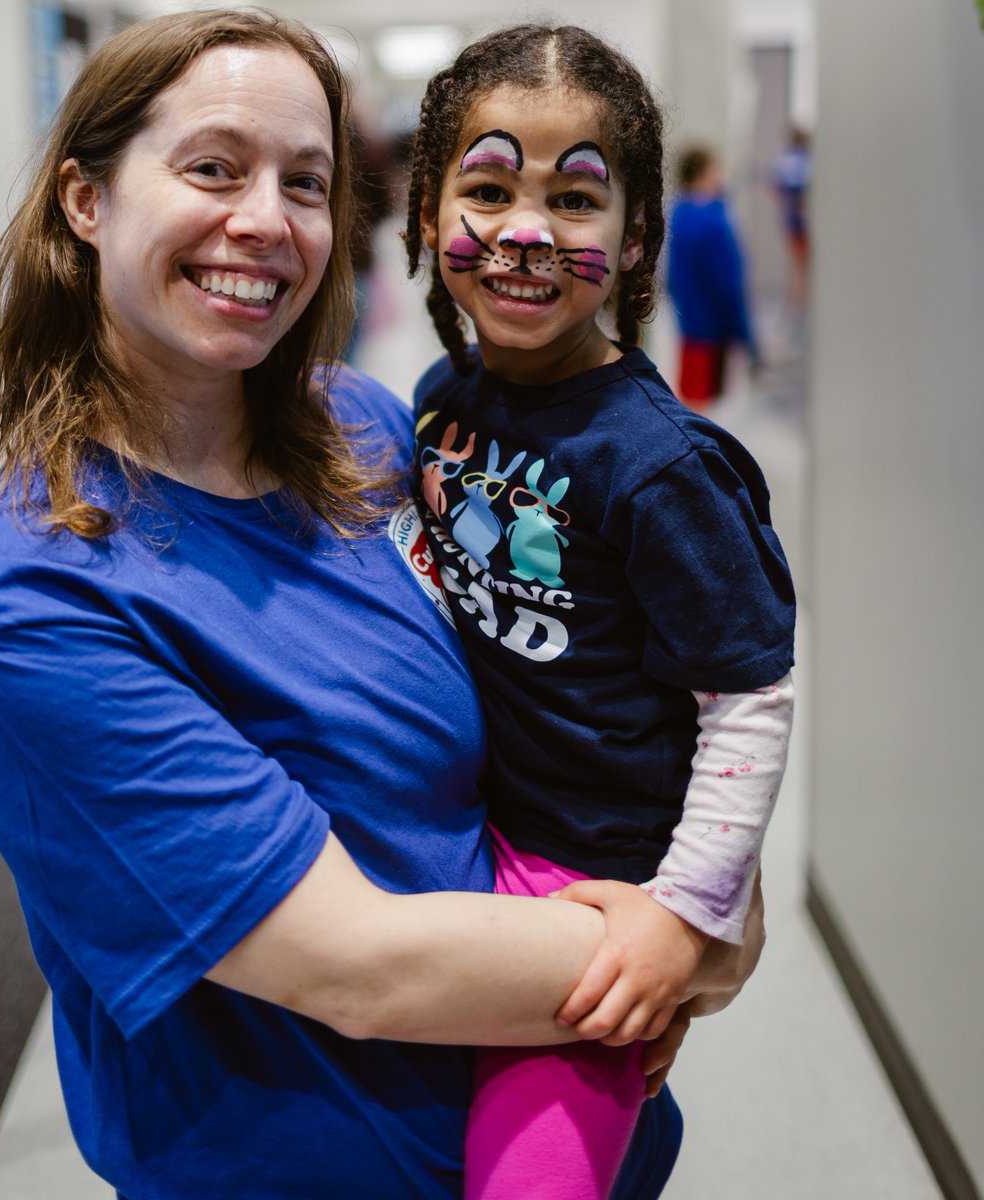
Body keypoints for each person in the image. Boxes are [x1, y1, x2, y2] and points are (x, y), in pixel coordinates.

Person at [0, 12, 759, 1199]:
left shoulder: (362, 427)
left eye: (305, 181)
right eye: (212, 167)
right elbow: (358, 967)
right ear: (85, 200)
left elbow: (594, 669)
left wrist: (705, 876)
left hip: (552, 1103)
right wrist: (682, 942)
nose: (264, 218)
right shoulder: (23, 595)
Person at [404, 24, 795, 1198]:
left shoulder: (658, 466)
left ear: (633, 238)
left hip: (596, 885)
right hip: (465, 842)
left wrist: (683, 918)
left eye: (573, 200)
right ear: (431, 214)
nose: (525, 233)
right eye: (487, 187)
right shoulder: (437, 400)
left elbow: (748, 702)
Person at [665, 144, 758, 409]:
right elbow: (727, 283)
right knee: (703, 405)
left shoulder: (679, 213)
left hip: (689, 321)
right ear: (705, 172)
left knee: (691, 398)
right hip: (711, 327)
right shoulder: (712, 220)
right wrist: (743, 331)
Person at [771, 126, 812, 313]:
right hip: (802, 224)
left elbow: (775, 187)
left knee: (797, 268)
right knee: (802, 270)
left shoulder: (785, 161)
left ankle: (794, 308)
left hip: (790, 223)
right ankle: (799, 308)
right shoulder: (804, 162)